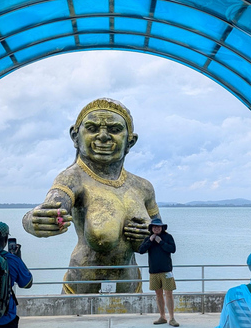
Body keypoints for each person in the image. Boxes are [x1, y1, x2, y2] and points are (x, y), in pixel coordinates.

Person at [22, 98, 160, 293]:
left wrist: (150, 234)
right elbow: (54, 205)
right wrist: (33, 220)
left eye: (114, 129)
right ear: (75, 136)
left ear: (131, 140)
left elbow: (161, 232)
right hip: (81, 290)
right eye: (93, 128)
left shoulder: (143, 187)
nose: (103, 136)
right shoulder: (73, 179)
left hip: (130, 287)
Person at [138, 218, 178, 326]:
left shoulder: (167, 237)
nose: (156, 228)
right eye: (154, 227)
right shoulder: (148, 239)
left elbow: (172, 249)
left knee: (169, 294)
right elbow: (141, 250)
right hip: (154, 271)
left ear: (162, 228)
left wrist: (161, 242)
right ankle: (162, 316)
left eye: (158, 227)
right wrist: (150, 241)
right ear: (151, 228)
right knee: (158, 294)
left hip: (166, 271)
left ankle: (172, 318)